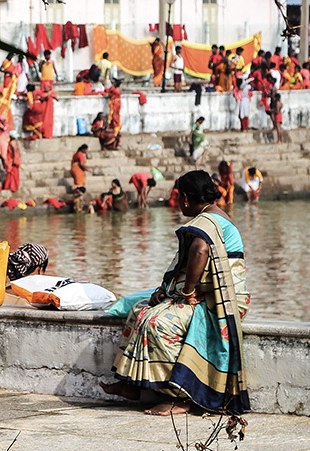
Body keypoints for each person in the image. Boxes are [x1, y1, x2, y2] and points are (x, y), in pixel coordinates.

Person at [101, 170, 250, 416]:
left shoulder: (208, 222)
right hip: (207, 294)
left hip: (221, 301)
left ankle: (180, 397)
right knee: (139, 311)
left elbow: (200, 250)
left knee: (158, 323)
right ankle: (131, 385)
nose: (178, 202)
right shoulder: (209, 218)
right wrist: (165, 290)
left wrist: (188, 292)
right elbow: (185, 263)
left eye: (179, 196)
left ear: (187, 199)